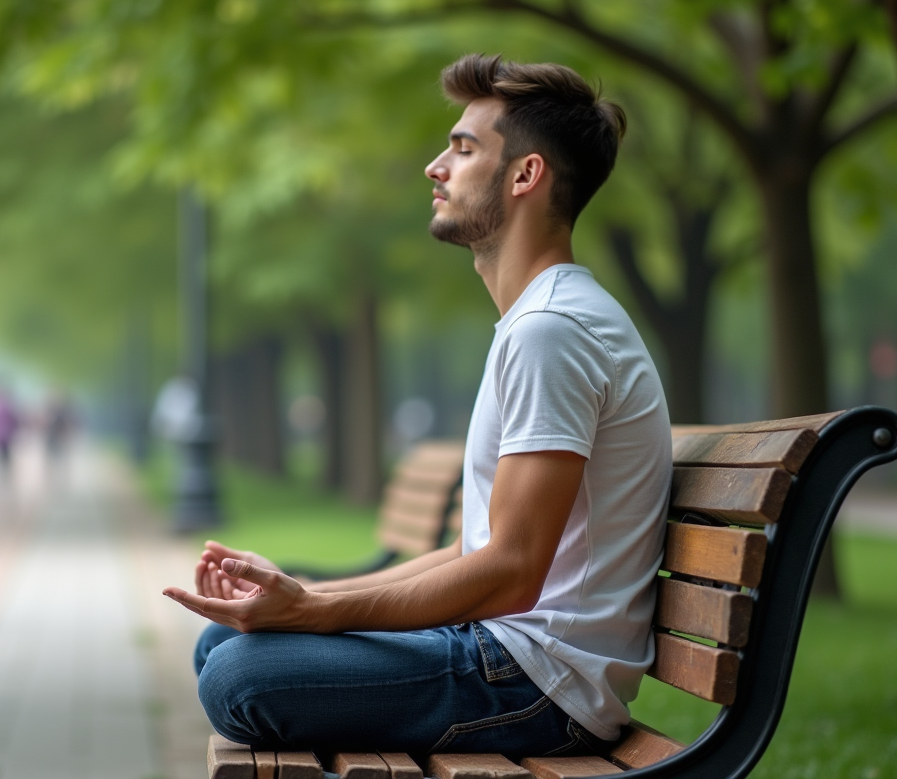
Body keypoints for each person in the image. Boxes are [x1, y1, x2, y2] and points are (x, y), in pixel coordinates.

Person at [163, 55, 673, 758]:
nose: (437, 166)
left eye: (463, 149)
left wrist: (315, 611)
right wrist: (305, 594)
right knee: (229, 641)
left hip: (539, 685)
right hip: (504, 654)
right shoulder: (538, 321)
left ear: (526, 175)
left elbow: (513, 572)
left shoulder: (552, 331)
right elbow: (473, 553)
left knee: (239, 679)